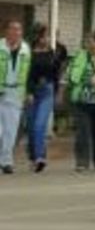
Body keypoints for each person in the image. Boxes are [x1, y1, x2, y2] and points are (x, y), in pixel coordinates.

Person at [63, 32, 95, 172]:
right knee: (83, 132)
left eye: (91, 41)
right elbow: (70, 74)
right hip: (81, 99)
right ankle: (82, 162)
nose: (89, 44)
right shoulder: (80, 56)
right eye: (87, 41)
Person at [22, 24, 59, 172]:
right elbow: (27, 74)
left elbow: (56, 75)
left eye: (47, 36)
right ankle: (33, 156)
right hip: (32, 91)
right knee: (31, 128)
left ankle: (40, 158)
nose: (46, 39)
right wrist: (28, 92)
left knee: (40, 125)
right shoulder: (28, 52)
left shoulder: (52, 53)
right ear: (37, 37)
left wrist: (57, 92)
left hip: (47, 91)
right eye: (43, 36)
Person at [1, 19, 30, 174]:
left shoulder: (25, 49)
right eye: (13, 29)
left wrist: (26, 92)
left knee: (10, 131)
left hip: (15, 93)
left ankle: (6, 162)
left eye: (18, 30)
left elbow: (27, 72)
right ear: (6, 31)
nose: (16, 33)